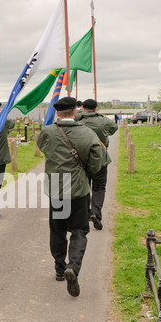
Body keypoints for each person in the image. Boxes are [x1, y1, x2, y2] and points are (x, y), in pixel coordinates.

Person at [38, 97, 102, 297]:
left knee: (57, 230)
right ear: (76, 111)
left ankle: (59, 269)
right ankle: (73, 267)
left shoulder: (48, 132)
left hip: (57, 189)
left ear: (57, 113)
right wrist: (87, 172)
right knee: (79, 231)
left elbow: (43, 148)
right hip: (78, 190)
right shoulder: (87, 132)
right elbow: (96, 161)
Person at [75, 98, 118, 230]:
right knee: (99, 187)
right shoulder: (103, 120)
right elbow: (114, 128)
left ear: (83, 108)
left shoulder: (77, 120)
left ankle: (85, 214)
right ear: (96, 108)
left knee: (84, 187)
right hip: (100, 159)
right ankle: (96, 213)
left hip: (81, 160)